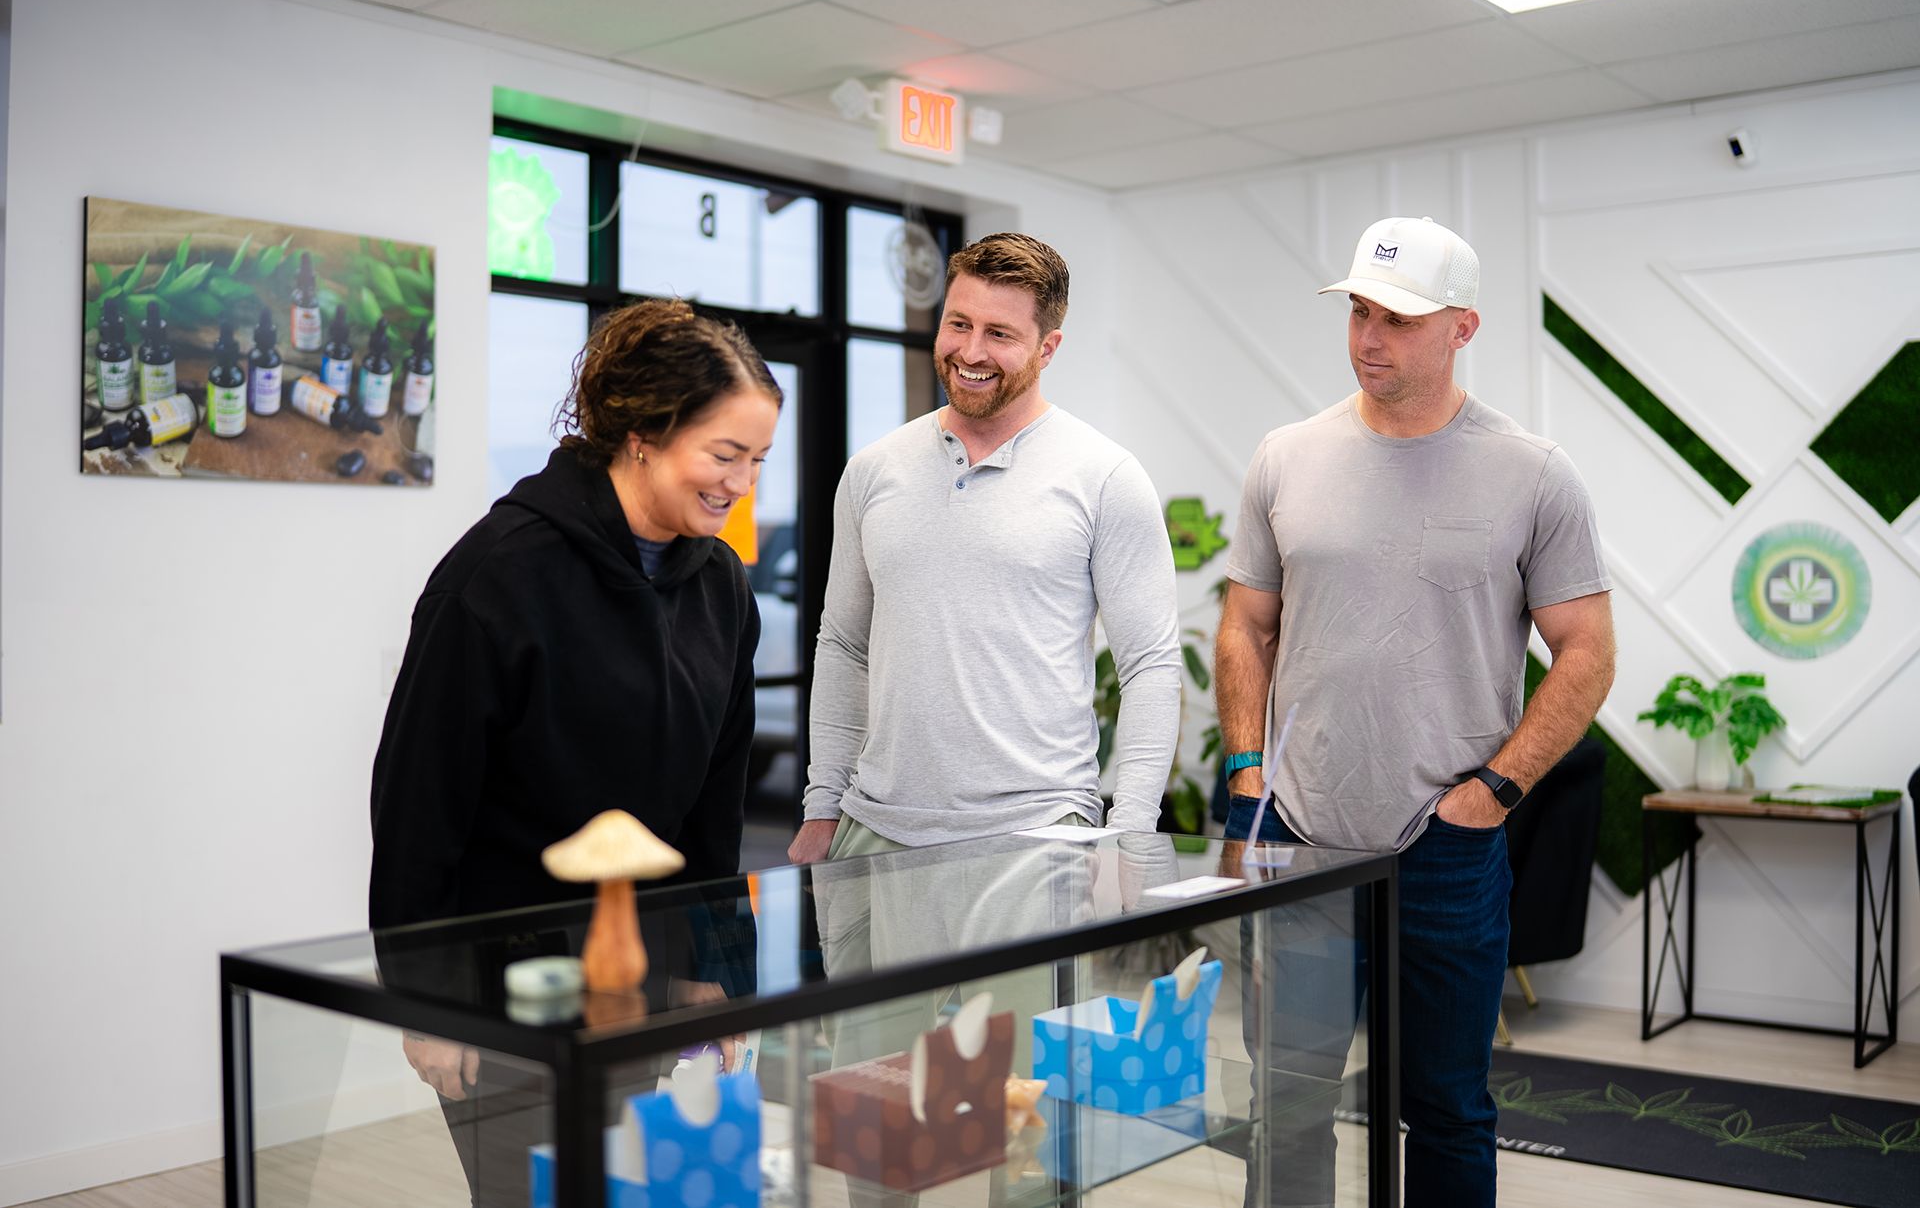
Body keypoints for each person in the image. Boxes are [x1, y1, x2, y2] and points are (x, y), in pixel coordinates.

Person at [1215, 216, 1616, 1207]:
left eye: (1397, 316)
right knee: (1290, 1097)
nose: (1368, 336)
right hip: (1300, 839)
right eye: (1358, 309)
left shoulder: (1532, 472)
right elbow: (1241, 628)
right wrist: (1245, 772)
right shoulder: (1286, 455)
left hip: (1444, 845)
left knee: (1445, 1106)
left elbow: (1589, 653)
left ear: (1462, 328)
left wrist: (1491, 791)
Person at [367, 299, 780, 1204]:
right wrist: (427, 1001)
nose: (743, 483)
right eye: (724, 455)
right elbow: (416, 809)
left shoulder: (720, 586)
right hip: (504, 981)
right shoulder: (497, 575)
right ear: (641, 435)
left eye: (758, 459)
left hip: (642, 975)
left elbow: (716, 801)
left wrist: (717, 965)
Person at [789, 232, 1181, 867]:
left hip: (1036, 834)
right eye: (958, 323)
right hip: (872, 831)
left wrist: (1131, 831)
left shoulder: (1105, 476)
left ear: (1047, 348)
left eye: (1000, 333)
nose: (970, 351)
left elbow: (1150, 666)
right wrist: (823, 806)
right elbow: (843, 646)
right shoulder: (872, 470)